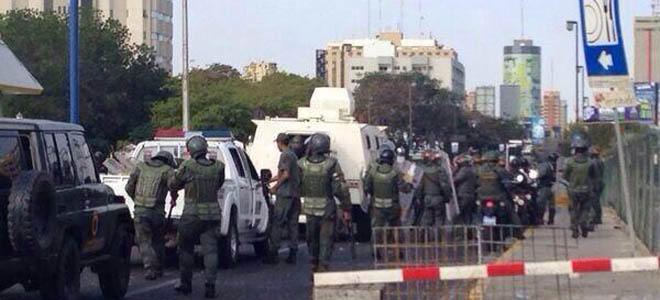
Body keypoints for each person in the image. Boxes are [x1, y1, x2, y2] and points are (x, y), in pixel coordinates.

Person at [170, 136, 225, 298]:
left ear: (190, 150)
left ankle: (186, 284)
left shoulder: (187, 166)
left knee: (186, 249)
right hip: (213, 214)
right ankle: (210, 286)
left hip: (191, 215)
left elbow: (174, 184)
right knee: (211, 251)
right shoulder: (219, 167)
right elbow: (219, 184)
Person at [298, 134, 351, 272]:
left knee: (311, 239)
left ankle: (313, 263)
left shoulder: (301, 164)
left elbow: (296, 185)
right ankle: (323, 266)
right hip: (327, 208)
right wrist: (347, 208)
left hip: (309, 208)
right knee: (326, 239)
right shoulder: (332, 164)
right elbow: (340, 188)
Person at [125, 151, 177, 280]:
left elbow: (129, 187)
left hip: (141, 211)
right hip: (158, 212)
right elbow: (173, 186)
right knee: (158, 239)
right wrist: (174, 198)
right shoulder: (168, 170)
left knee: (143, 240)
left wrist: (137, 200)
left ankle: (149, 267)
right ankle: (158, 267)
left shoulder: (140, 167)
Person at [264, 133, 302, 265]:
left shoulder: (285, 155)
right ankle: (293, 253)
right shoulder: (293, 155)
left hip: (285, 194)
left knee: (277, 223)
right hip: (295, 194)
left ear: (280, 143)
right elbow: (282, 173)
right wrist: (269, 180)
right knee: (293, 224)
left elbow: (285, 175)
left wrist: (274, 187)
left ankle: (273, 253)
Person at [564, 134, 598, 239]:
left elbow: (565, 175)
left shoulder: (569, 162)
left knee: (573, 210)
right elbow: (595, 176)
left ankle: (574, 229)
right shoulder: (591, 162)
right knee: (585, 209)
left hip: (573, 190)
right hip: (587, 190)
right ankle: (583, 225)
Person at [364, 149, 402, 228]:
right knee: (396, 230)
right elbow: (404, 188)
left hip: (377, 208)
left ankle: (377, 240)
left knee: (377, 230)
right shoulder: (395, 172)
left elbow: (367, 188)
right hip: (392, 209)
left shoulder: (372, 172)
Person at [414, 150, 452, 226]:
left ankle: (426, 236)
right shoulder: (440, 170)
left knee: (426, 219)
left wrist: (418, 197)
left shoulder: (423, 170)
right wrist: (447, 197)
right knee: (439, 219)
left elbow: (420, 185)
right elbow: (444, 185)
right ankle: (437, 236)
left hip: (427, 198)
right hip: (438, 197)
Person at [454, 155, 477, 225]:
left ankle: (462, 231)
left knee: (461, 213)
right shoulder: (472, 169)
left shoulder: (464, 169)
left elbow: (456, 179)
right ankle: (468, 231)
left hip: (463, 194)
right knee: (468, 215)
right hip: (470, 194)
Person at [535, 151, 557, 225]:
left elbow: (540, 174)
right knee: (551, 204)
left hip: (544, 186)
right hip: (551, 186)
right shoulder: (552, 165)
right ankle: (551, 220)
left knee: (541, 204)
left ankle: (540, 219)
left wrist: (535, 176)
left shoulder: (544, 165)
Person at [589, 146, 605, 226]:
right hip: (599, 183)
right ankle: (597, 217)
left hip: (594, 183)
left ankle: (596, 218)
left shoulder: (593, 162)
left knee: (593, 201)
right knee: (596, 201)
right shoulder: (600, 161)